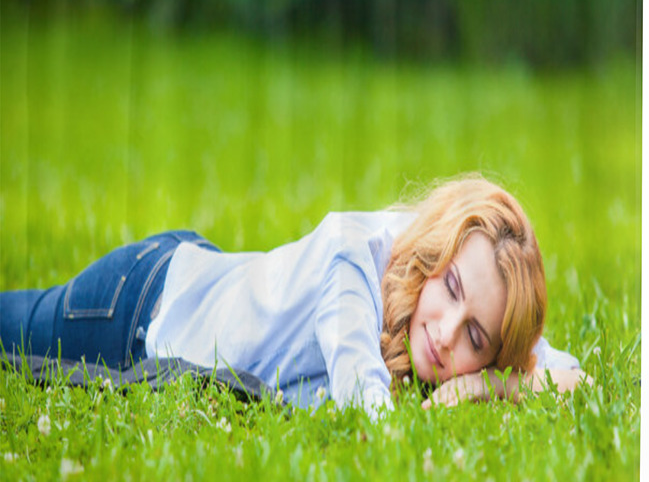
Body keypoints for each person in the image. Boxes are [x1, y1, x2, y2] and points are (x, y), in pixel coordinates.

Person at [0, 175, 587, 418]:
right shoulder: (352, 257)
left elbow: (574, 380)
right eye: (452, 289)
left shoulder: (455, 329)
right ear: (434, 257)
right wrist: (469, 390)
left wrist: (486, 383)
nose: (446, 331)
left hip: (198, 276)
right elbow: (368, 412)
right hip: (135, 306)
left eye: (476, 337)